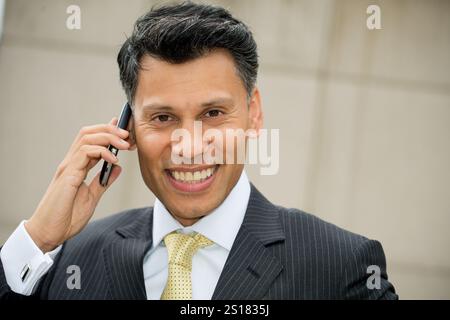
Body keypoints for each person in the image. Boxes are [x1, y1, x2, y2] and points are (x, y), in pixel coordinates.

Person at [0, 2, 397, 300]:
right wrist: (37, 238)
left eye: (212, 113)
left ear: (253, 113)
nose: (189, 145)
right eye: (162, 117)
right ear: (128, 128)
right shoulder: (69, 258)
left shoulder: (341, 266)